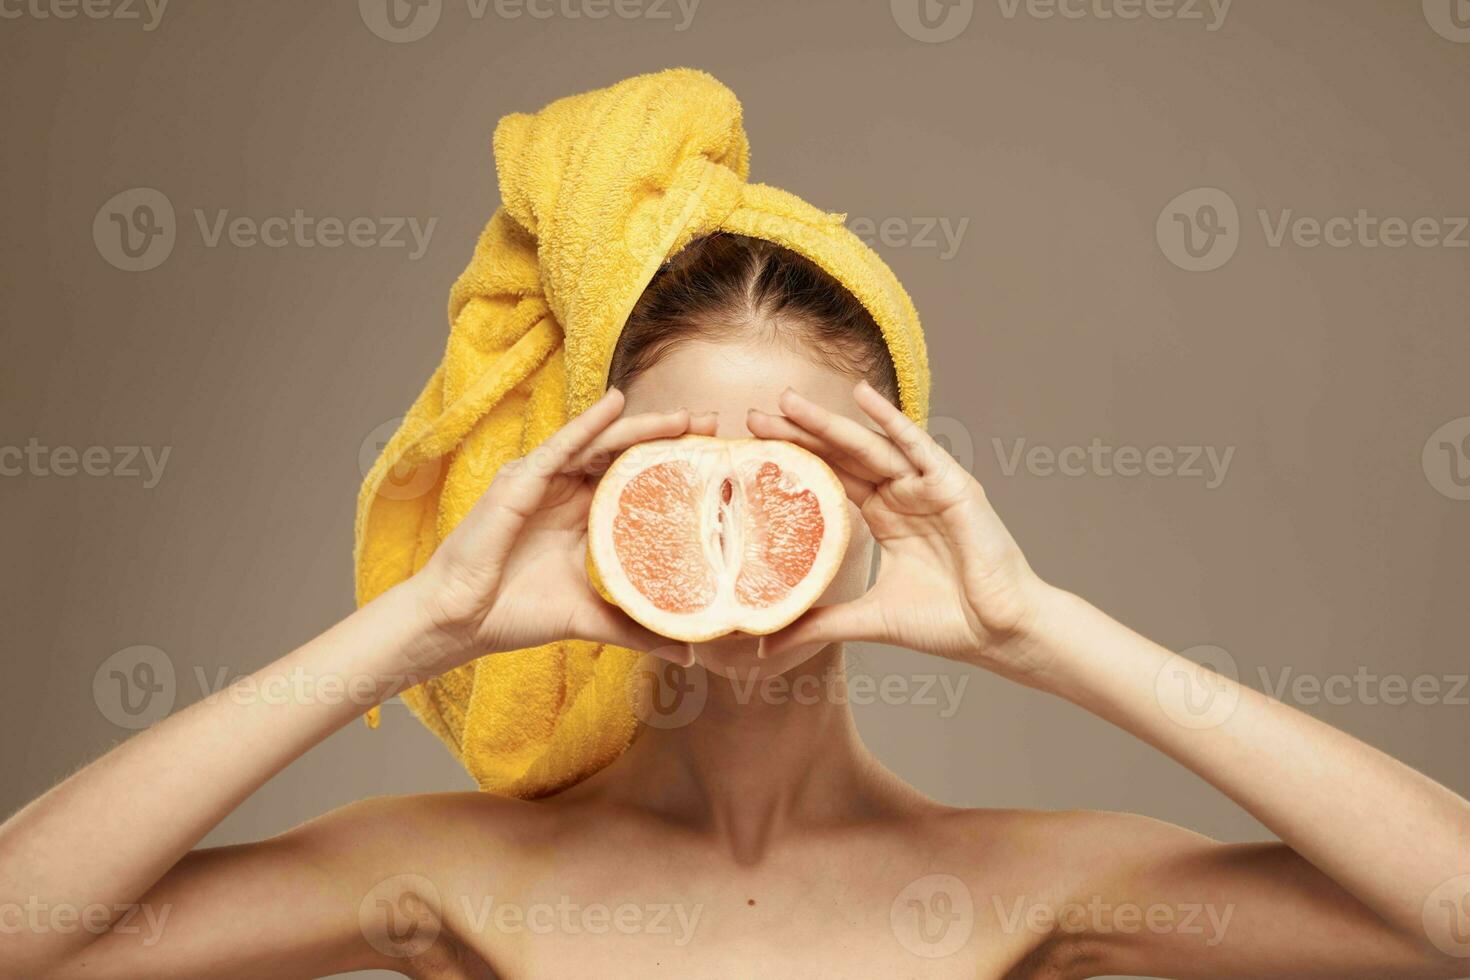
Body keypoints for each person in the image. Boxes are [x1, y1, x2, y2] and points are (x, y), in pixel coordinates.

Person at [2, 234, 1467, 979]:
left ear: (893, 490)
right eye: (668, 460)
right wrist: (427, 621)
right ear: (580, 479)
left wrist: (1037, 628)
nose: (726, 501)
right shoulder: (448, 871)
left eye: (799, 461)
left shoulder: (1037, 880)